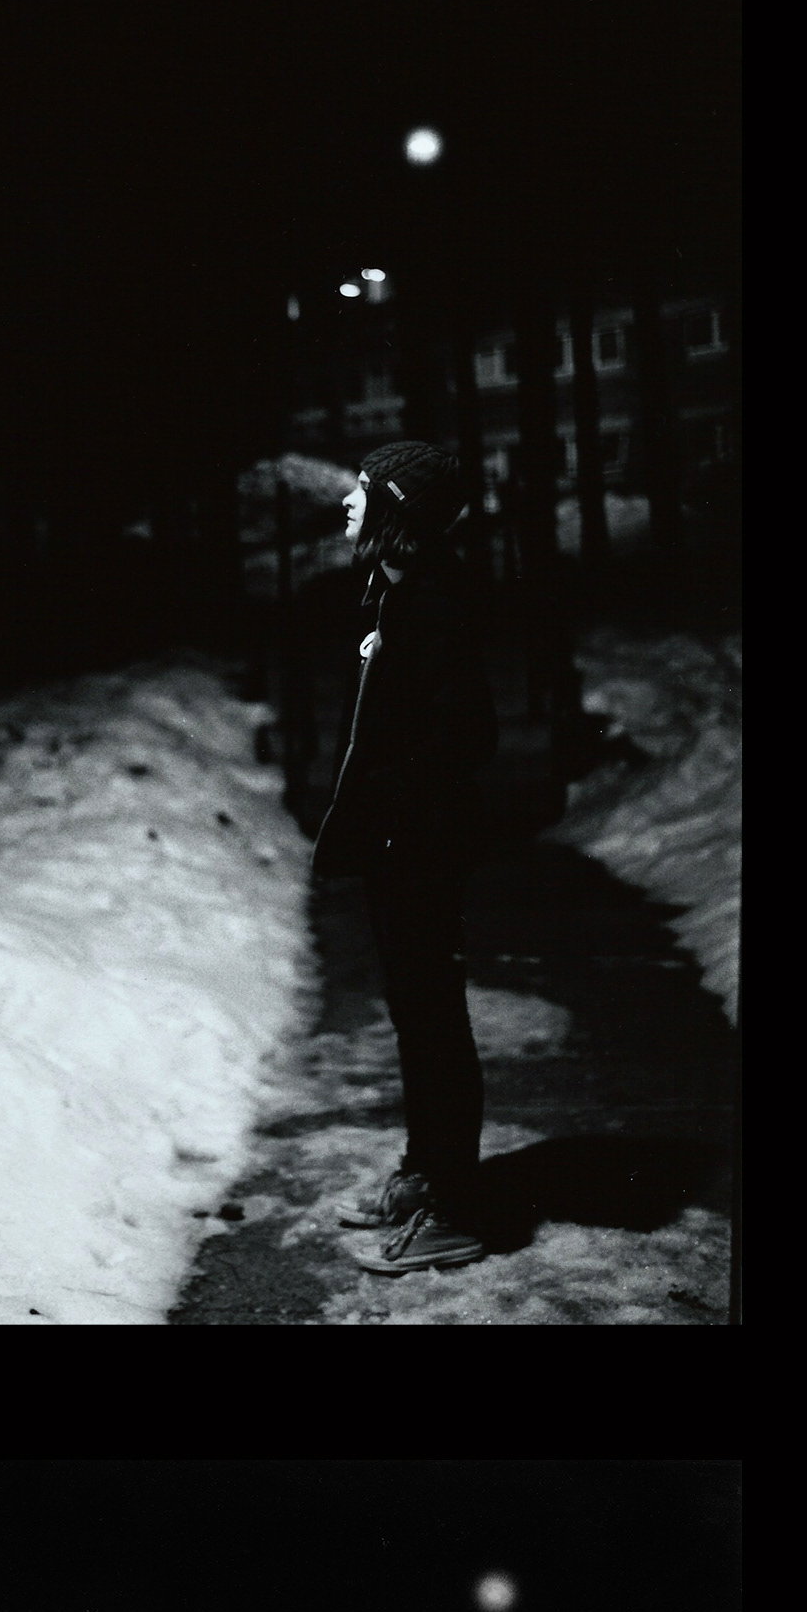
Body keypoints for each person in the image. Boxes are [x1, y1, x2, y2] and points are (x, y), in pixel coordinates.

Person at [313, 450, 493, 1253]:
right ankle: (428, 1172)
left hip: (420, 847)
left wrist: (386, 798)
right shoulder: (394, 592)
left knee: (434, 1021)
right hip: (399, 845)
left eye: (362, 491)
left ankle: (454, 1210)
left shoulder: (435, 604)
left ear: (398, 513)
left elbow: (469, 737)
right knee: (416, 1017)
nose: (347, 502)